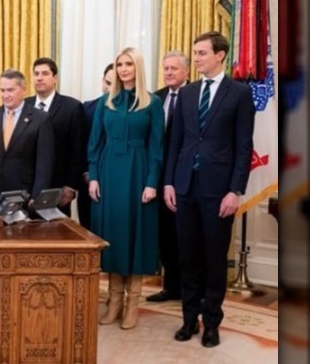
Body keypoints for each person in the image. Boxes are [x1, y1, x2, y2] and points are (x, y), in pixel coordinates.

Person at [164, 31, 255, 348]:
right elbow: (175, 142)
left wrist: (235, 190)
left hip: (219, 191)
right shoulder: (187, 93)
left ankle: (212, 322)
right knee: (188, 258)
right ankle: (189, 319)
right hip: (185, 186)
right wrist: (169, 182)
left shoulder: (240, 93)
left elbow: (244, 147)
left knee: (214, 259)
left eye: (202, 53)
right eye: (195, 52)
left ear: (220, 55)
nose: (197, 58)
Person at [88, 47, 163, 330]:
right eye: (120, 64)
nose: (123, 69)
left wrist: (152, 182)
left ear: (138, 67)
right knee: (114, 237)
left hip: (140, 172)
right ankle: (114, 301)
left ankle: (133, 304)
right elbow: (94, 143)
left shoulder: (152, 103)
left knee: (137, 237)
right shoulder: (106, 102)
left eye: (129, 64)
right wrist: (94, 176)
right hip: (109, 174)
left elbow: (158, 147)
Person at [0, 69, 54, 211]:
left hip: (24, 195)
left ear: (23, 90)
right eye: (2, 90)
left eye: (10, 90)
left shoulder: (41, 119)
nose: (5, 95)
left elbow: (44, 163)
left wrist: (36, 195)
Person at [145, 51, 190, 303]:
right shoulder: (155, 98)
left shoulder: (195, 95)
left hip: (185, 177)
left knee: (185, 235)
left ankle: (191, 290)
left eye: (174, 68)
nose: (169, 72)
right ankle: (170, 286)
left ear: (186, 71)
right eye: (166, 68)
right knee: (165, 235)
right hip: (159, 176)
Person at [24, 57, 85, 217]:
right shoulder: (23, 106)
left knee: (57, 235)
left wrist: (71, 186)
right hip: (26, 188)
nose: (39, 78)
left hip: (58, 188)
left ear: (55, 78)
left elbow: (77, 149)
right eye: (36, 74)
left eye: (45, 73)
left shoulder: (72, 107)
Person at [78, 63, 115, 229]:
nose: (109, 88)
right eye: (107, 83)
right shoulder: (87, 108)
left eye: (114, 84)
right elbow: (80, 144)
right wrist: (87, 173)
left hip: (117, 180)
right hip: (90, 181)